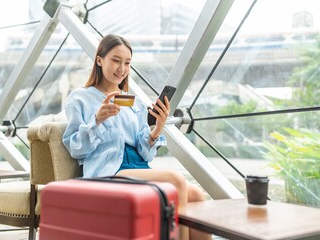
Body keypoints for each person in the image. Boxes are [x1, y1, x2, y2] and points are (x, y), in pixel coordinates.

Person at [62, 34, 211, 240]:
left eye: (127, 63)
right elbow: (75, 147)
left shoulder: (136, 103)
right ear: (99, 60)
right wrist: (97, 121)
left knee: (197, 196)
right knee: (176, 180)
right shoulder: (80, 98)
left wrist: (157, 129)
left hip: (138, 168)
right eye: (115, 60)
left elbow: (145, 155)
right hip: (109, 171)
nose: (121, 69)